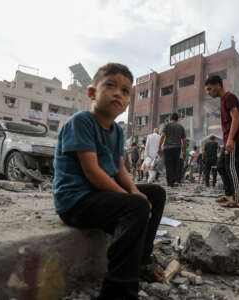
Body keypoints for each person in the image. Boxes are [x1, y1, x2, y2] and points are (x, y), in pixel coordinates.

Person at [52, 63, 166, 299]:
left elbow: (120, 170)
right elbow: (93, 172)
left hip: (98, 197)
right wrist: (130, 198)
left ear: (127, 103)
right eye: (110, 85)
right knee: (136, 206)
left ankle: (142, 261)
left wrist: (134, 190)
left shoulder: (116, 131)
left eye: (125, 91)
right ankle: (118, 291)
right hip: (75, 201)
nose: (118, 93)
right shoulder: (81, 121)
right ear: (92, 93)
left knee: (154, 193)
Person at [205, 75, 239, 208]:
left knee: (232, 167)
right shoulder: (223, 100)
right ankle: (228, 194)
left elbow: (236, 118)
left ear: (218, 85)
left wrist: (230, 139)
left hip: (233, 139)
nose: (208, 92)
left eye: (210, 89)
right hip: (228, 139)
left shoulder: (229, 97)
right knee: (221, 165)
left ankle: (238, 199)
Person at [158, 113, 186, 187]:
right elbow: (184, 140)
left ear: (171, 118)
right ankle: (175, 180)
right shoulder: (181, 127)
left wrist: (159, 147)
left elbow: (162, 136)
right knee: (175, 164)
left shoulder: (167, 125)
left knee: (168, 165)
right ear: (177, 119)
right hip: (177, 148)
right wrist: (184, 151)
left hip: (167, 148)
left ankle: (170, 182)